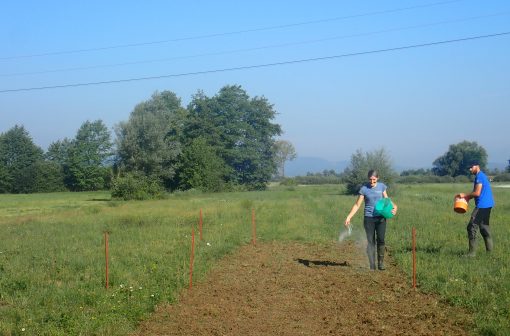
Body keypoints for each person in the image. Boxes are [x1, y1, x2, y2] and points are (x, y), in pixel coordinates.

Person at [344, 170, 397, 270]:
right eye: (370, 179)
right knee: (371, 241)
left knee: (381, 240)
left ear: (378, 178)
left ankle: (380, 264)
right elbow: (357, 205)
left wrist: (395, 207)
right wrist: (349, 216)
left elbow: (387, 200)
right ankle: (372, 265)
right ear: (368, 178)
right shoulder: (364, 189)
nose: (372, 182)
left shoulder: (382, 187)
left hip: (381, 217)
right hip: (369, 218)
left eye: (374, 179)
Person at [455, 161, 495, 257]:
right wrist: (468, 197)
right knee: (484, 227)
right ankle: (490, 252)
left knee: (471, 226)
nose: (470, 169)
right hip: (488, 205)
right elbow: (478, 193)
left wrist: (465, 195)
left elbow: (477, 193)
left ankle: (472, 253)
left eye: (471, 167)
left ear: (477, 166)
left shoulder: (479, 177)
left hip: (482, 206)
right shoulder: (482, 175)